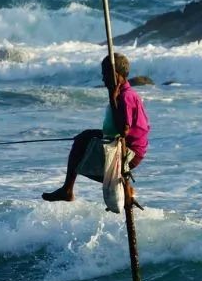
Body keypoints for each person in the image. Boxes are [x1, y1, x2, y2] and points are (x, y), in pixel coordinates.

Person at [42, 53, 149, 202]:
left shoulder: (125, 97)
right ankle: (69, 189)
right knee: (83, 138)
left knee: (82, 156)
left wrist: (112, 99)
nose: (103, 79)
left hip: (130, 151)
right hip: (122, 143)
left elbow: (123, 130)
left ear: (115, 75)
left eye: (105, 75)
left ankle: (122, 186)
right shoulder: (123, 93)